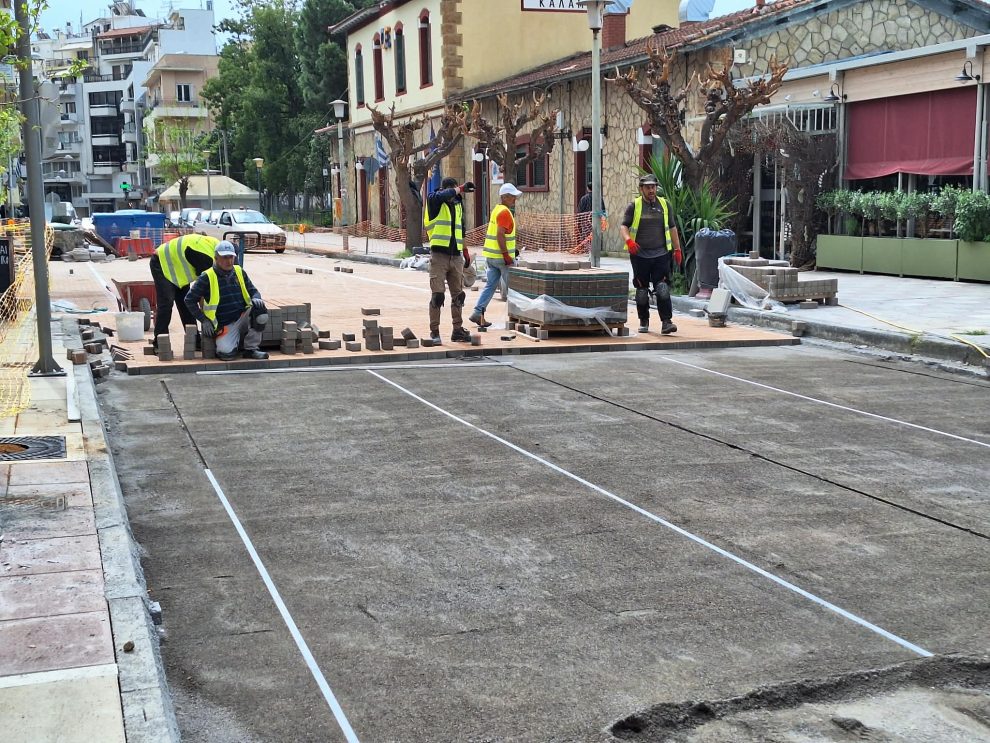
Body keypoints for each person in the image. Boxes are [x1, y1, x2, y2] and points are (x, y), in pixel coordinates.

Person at [183, 240, 269, 360]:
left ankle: (251, 349)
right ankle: (236, 342)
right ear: (216, 258)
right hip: (225, 324)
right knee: (226, 354)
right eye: (224, 257)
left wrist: (256, 298)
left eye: (231, 257)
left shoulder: (239, 271)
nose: (229, 261)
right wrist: (204, 320)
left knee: (260, 311)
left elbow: (253, 291)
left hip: (242, 316)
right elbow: (189, 300)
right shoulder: (206, 277)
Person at [620, 173, 682, 335]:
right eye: (647, 187)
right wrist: (629, 241)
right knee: (641, 291)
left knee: (662, 288)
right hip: (640, 256)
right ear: (641, 189)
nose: (651, 190)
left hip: (661, 254)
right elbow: (624, 226)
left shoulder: (665, 205)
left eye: (653, 187)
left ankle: (666, 322)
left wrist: (677, 249)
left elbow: (672, 228)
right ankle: (643, 320)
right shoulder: (634, 206)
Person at [423, 176, 475, 343]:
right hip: (439, 255)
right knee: (438, 296)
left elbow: (462, 229)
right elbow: (440, 196)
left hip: (456, 255)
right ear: (446, 189)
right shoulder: (434, 201)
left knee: (458, 296)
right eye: (453, 191)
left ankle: (457, 330)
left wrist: (465, 250)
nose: (455, 195)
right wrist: (460, 188)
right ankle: (435, 332)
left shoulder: (458, 204)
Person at [149, 233, 219, 348]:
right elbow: (202, 295)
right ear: (219, 258)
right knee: (166, 303)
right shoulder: (206, 259)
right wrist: (205, 320)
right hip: (162, 262)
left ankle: (195, 341)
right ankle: (159, 343)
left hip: (178, 269)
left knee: (186, 303)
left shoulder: (216, 245)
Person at [470, 183, 522, 328]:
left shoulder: (497, 210)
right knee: (513, 288)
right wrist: (506, 254)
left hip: (491, 257)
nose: (514, 199)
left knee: (490, 286)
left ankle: (477, 313)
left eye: (515, 197)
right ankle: (517, 318)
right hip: (501, 258)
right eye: (512, 197)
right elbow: (500, 234)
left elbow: (503, 234)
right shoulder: (505, 212)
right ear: (504, 197)